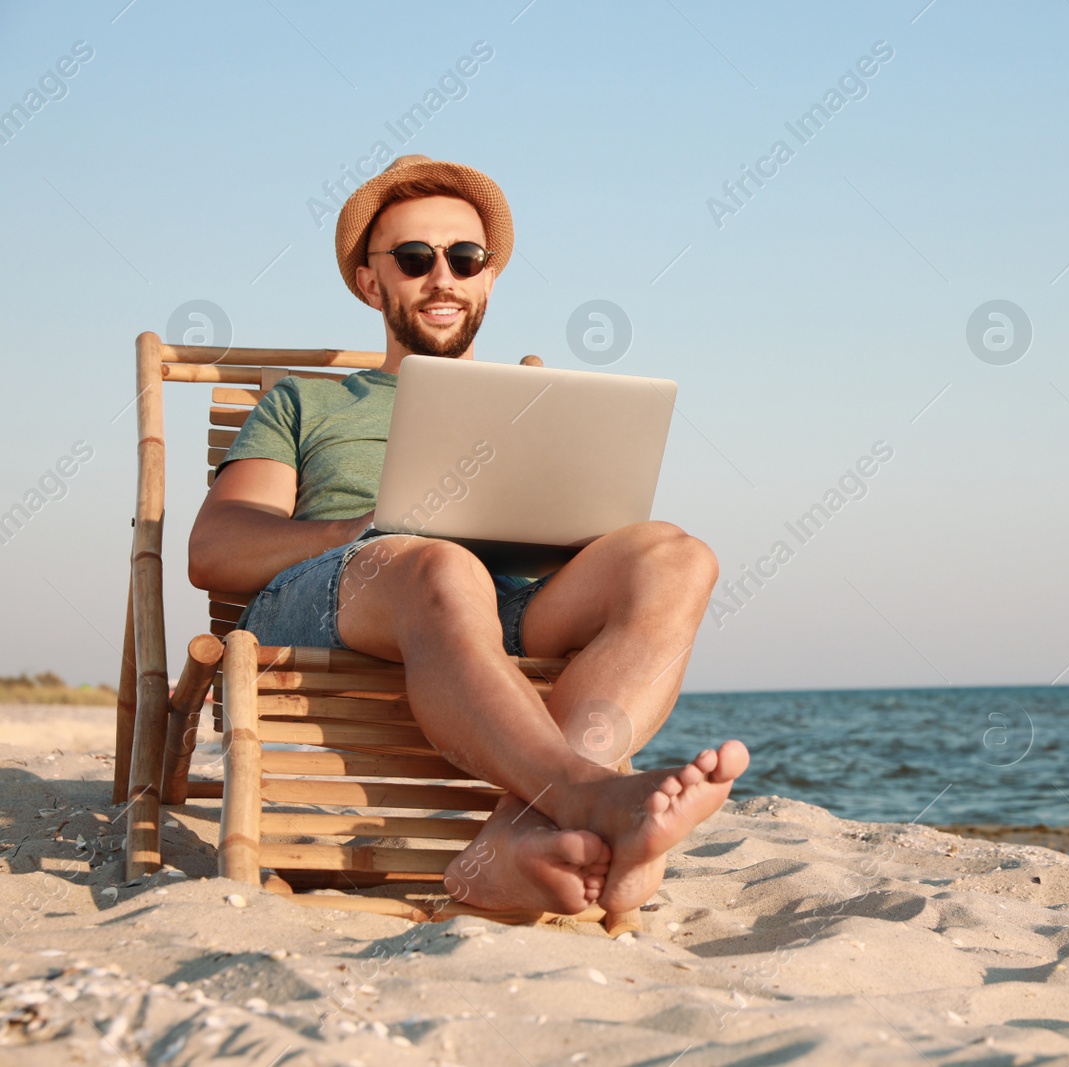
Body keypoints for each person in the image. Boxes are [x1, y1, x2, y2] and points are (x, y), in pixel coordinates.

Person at [188, 154, 748, 916]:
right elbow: (215, 546)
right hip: (345, 595)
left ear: (488, 278)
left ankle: (511, 844)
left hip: (508, 602)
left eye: (465, 258)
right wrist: (368, 525)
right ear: (369, 281)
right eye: (415, 259)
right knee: (441, 566)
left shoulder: (537, 404)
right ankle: (593, 797)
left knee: (679, 558)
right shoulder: (307, 404)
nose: (442, 277)